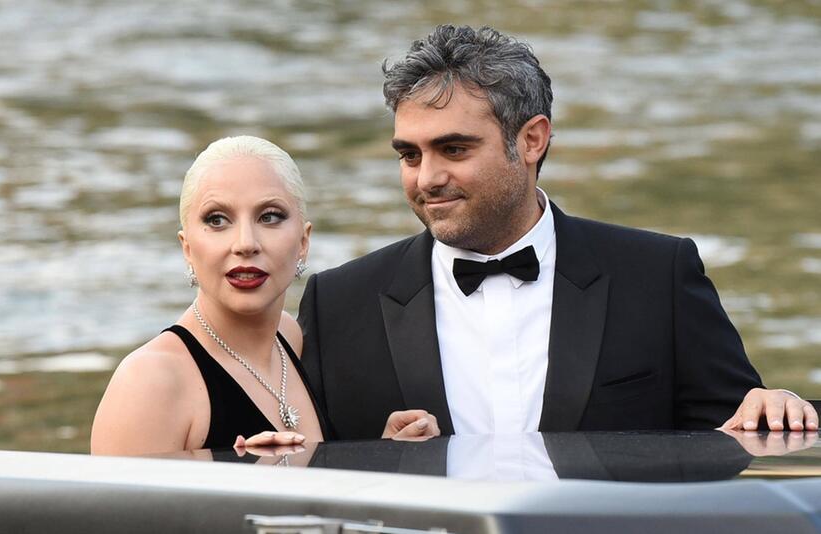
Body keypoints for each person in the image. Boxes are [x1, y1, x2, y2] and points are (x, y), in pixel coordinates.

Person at [297, 25, 818, 440]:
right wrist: (384, 463)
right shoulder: (338, 302)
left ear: (531, 141)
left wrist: (779, 407)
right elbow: (306, 477)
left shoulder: (660, 277)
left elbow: (743, 434)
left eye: (453, 149)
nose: (426, 178)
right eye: (409, 155)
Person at [91, 136, 437, 455]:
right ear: (187, 248)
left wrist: (387, 457)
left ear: (303, 242)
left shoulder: (291, 339)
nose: (245, 243)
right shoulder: (150, 382)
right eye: (217, 220)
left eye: (269, 216)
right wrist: (239, 480)